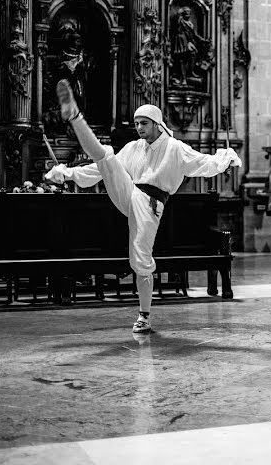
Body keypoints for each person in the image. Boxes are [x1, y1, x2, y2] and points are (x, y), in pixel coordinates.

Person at [45, 80, 241, 333]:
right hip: (129, 191)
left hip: (150, 203)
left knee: (140, 258)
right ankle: (75, 117)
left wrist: (226, 158)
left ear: (157, 124)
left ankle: (144, 315)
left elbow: (203, 162)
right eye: (136, 123)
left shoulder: (175, 148)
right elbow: (101, 169)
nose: (138, 128)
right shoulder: (133, 147)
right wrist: (67, 173)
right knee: (105, 156)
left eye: (143, 123)